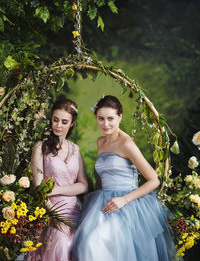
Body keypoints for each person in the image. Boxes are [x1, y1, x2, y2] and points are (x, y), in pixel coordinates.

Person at [72, 95, 181, 261]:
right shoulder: (100, 141)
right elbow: (104, 174)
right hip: (103, 201)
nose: (105, 124)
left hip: (126, 203)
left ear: (120, 117)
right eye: (101, 119)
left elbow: (154, 180)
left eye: (110, 119)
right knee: (87, 244)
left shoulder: (126, 144)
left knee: (115, 248)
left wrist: (123, 200)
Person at [26, 97, 88, 261]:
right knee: (62, 242)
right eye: (55, 120)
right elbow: (39, 190)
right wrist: (57, 218)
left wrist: (56, 189)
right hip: (50, 211)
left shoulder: (75, 148)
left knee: (86, 242)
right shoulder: (41, 147)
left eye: (64, 121)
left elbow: (83, 185)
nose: (59, 126)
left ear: (72, 123)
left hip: (74, 212)